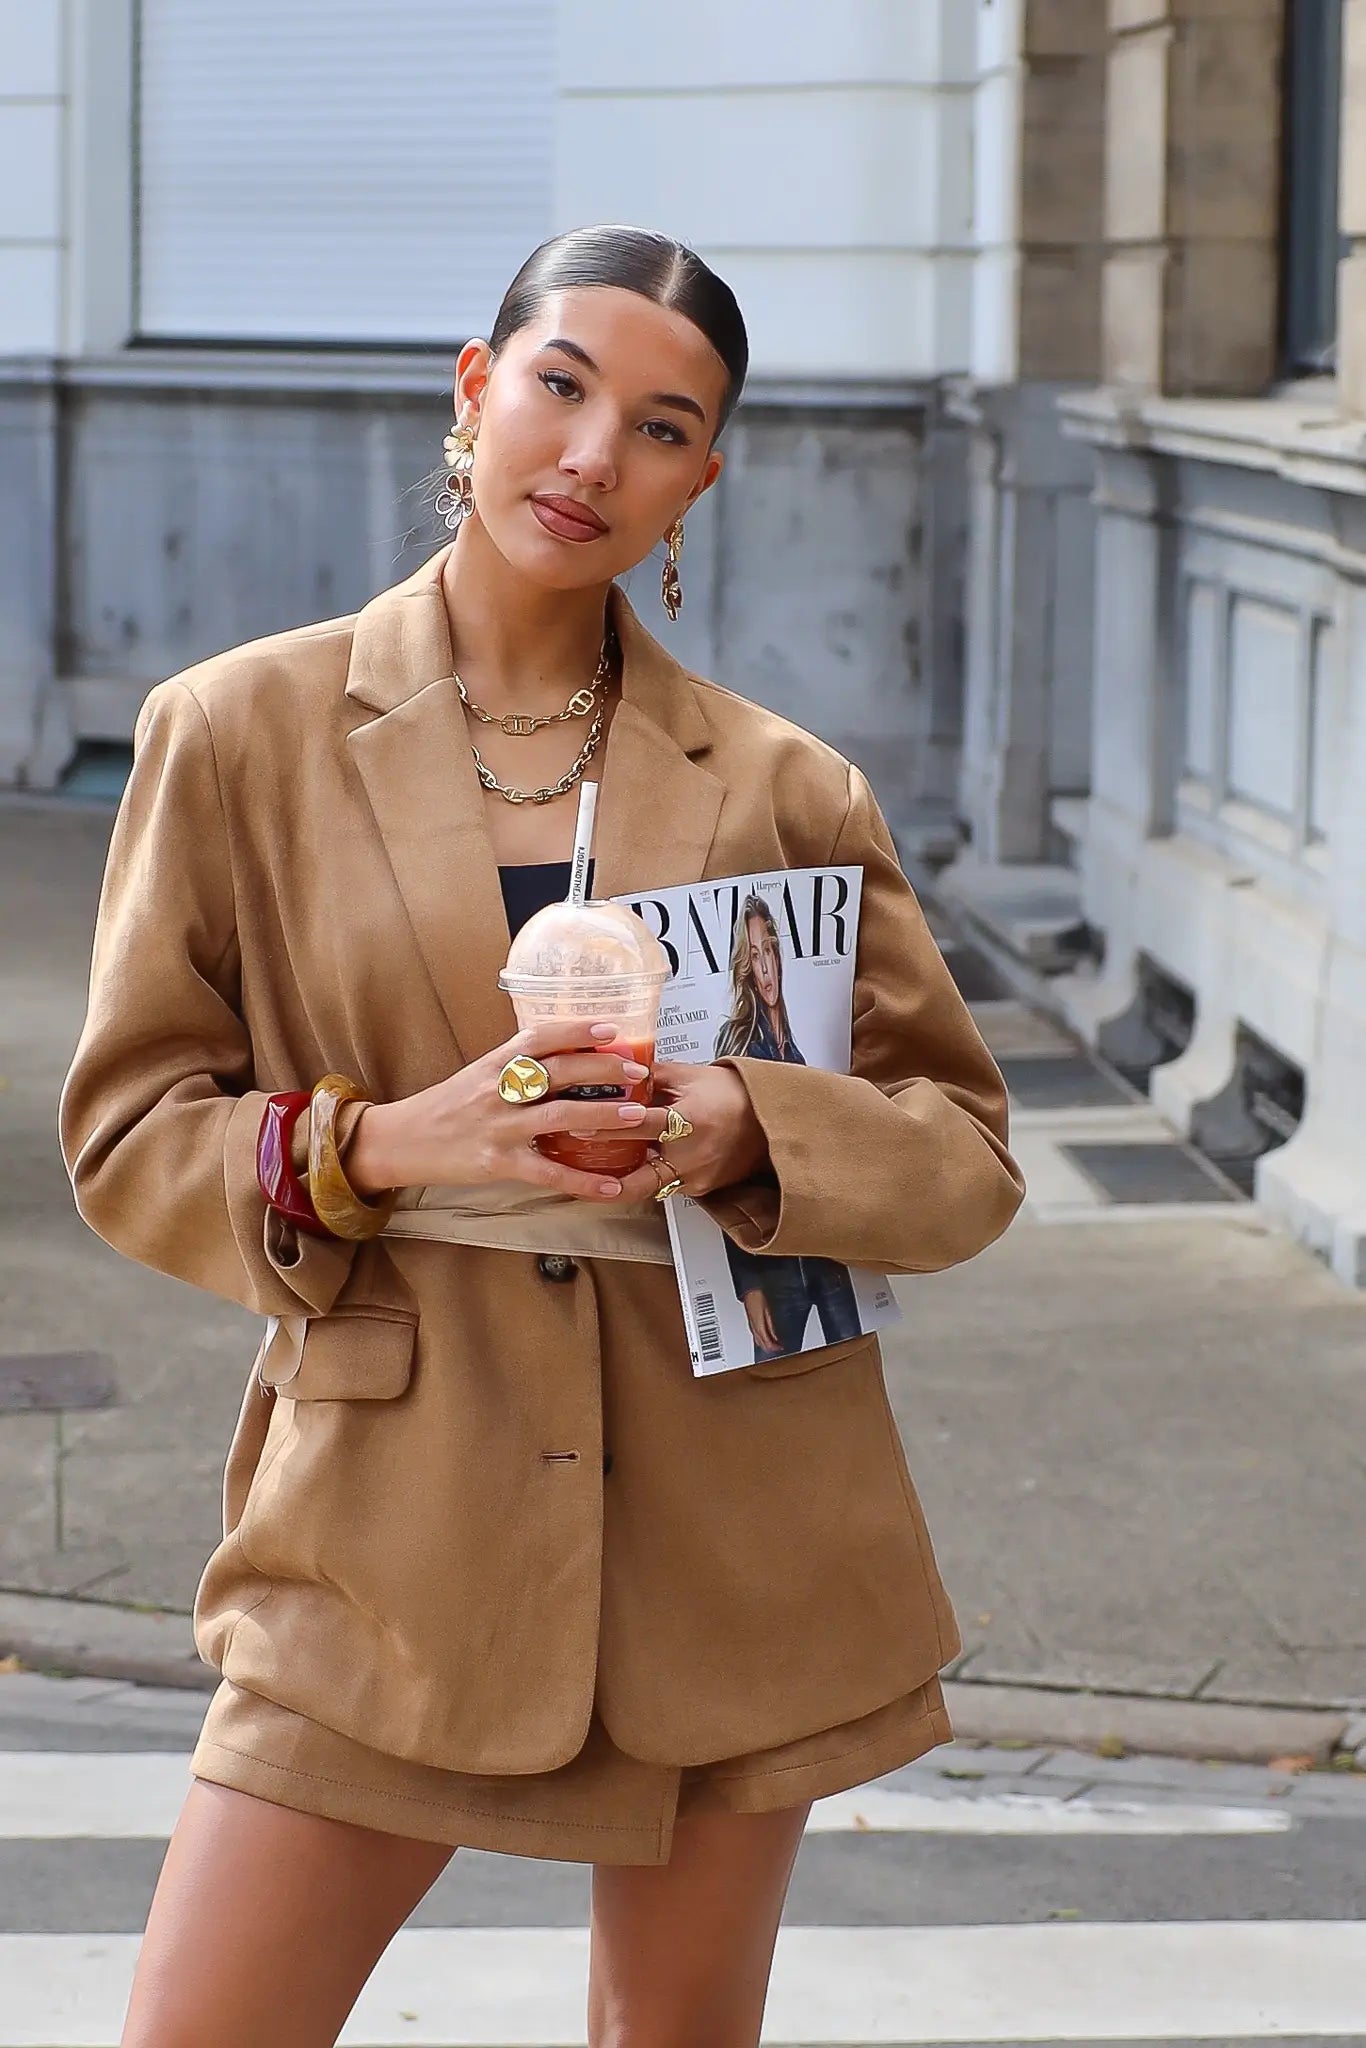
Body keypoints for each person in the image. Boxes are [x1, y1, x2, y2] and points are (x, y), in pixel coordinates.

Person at [58, 224, 1025, 2048]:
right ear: (476, 388)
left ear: (702, 482)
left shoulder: (780, 782)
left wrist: (751, 1121)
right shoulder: (238, 731)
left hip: (735, 1519)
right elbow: (126, 1135)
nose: (593, 458)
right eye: (563, 388)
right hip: (382, 1520)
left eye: (663, 428)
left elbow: (961, 1147)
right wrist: (387, 1144)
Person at [714, 893, 863, 1361]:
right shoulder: (736, 1042)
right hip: (772, 1261)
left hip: (828, 1254)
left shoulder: (801, 1046)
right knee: (768, 1401)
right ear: (744, 966)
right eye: (754, 955)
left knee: (848, 1383)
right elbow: (724, 1168)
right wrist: (749, 1285)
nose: (765, 969)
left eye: (771, 950)